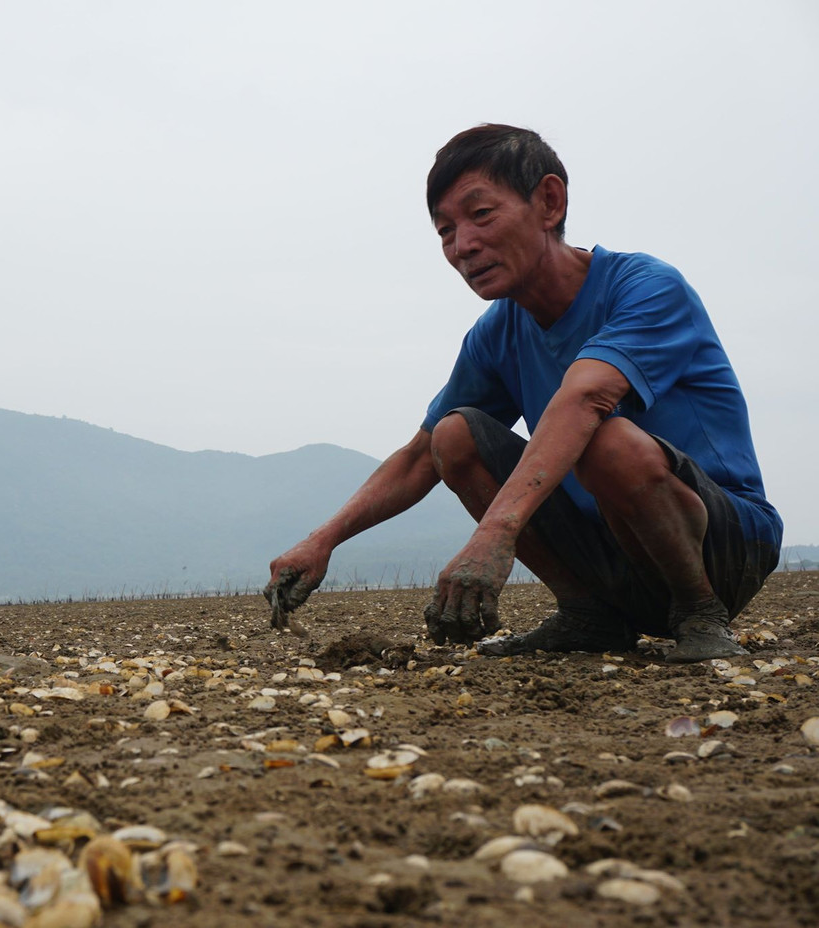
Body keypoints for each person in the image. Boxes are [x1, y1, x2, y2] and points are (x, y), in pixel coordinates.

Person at [264, 124, 782, 663]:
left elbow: (583, 400)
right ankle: (589, 615)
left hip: (725, 547)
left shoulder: (646, 287)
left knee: (604, 440)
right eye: (445, 231)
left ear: (550, 202)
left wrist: (496, 533)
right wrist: (321, 541)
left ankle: (699, 612)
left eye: (481, 214)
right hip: (613, 550)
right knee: (454, 434)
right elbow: (422, 457)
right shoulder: (498, 331)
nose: (463, 245)